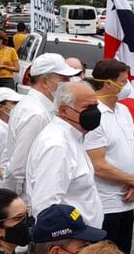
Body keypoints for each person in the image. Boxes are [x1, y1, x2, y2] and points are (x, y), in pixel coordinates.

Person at [86, 60, 134, 254]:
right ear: (107, 84)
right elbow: (99, 166)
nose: (127, 86)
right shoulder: (93, 116)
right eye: (124, 81)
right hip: (105, 206)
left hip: (127, 202)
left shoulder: (124, 111)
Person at [27, 81, 106, 229]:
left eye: (96, 106)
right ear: (64, 111)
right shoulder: (57, 145)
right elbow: (45, 206)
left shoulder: (74, 137)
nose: (94, 112)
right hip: (71, 243)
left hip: (82, 238)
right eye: (87, 108)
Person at [7, 53, 81, 194]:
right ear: (45, 82)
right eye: (64, 78)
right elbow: (18, 168)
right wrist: (15, 200)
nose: (69, 82)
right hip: (31, 197)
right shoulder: (37, 114)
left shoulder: (38, 107)